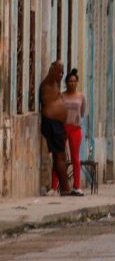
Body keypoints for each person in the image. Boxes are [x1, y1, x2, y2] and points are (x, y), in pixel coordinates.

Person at [40, 61, 70, 196]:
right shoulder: (48, 82)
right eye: (59, 71)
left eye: (62, 72)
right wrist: (57, 65)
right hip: (51, 123)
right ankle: (65, 189)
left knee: (61, 156)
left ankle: (65, 188)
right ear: (53, 70)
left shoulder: (56, 84)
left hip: (57, 125)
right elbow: (53, 73)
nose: (61, 74)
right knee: (59, 156)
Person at [56, 69, 86, 196]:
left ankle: (77, 186)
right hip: (62, 128)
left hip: (75, 128)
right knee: (59, 157)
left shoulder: (81, 97)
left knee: (75, 158)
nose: (72, 84)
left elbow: (83, 112)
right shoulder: (61, 96)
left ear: (77, 83)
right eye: (70, 81)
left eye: (74, 81)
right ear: (66, 83)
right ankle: (54, 186)